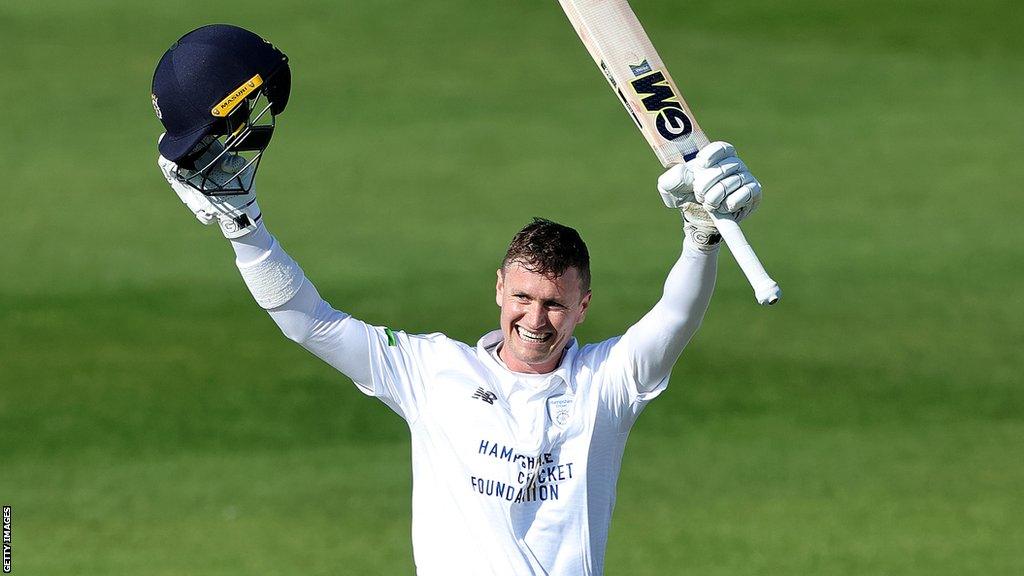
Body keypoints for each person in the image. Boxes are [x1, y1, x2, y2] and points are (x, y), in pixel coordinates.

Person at [153, 24, 762, 576]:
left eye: (555, 304)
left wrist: (701, 235)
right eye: (522, 297)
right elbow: (309, 324)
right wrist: (245, 230)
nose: (535, 319)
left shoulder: (605, 384)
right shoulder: (431, 372)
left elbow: (674, 320)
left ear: (584, 306)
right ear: (498, 288)